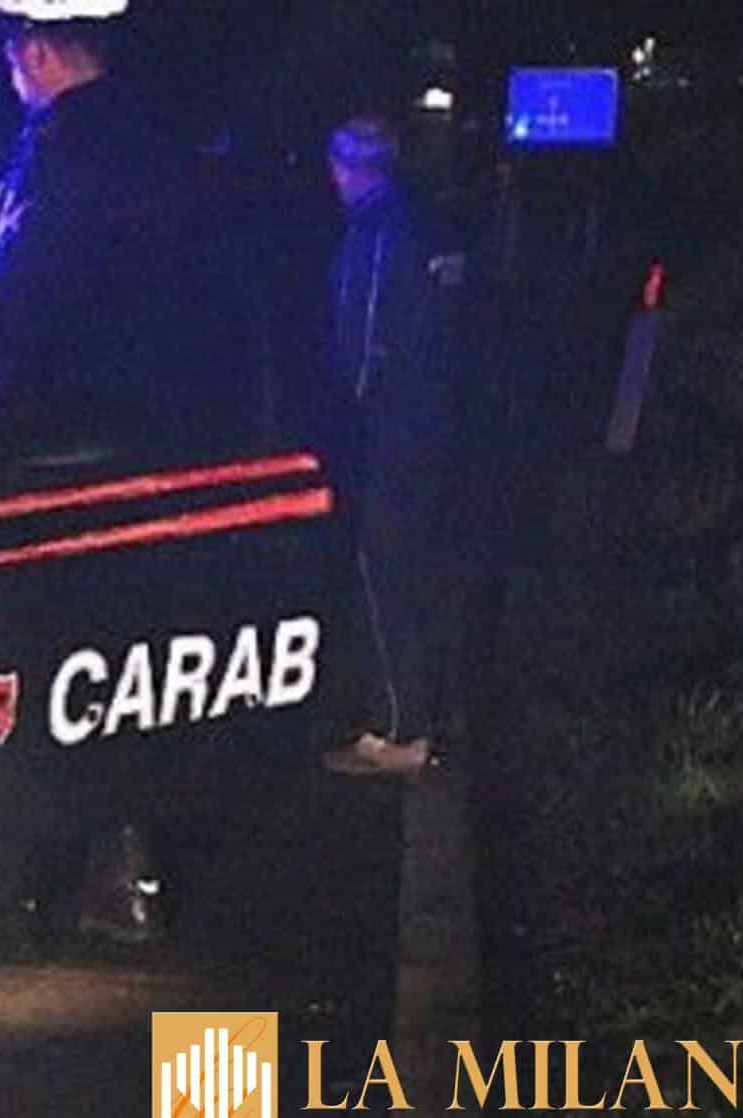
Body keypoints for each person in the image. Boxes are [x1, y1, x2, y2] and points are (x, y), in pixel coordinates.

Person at [0, 7, 188, 945]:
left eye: (11, 57)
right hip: (135, 437)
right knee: (111, 660)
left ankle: (40, 870)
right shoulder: (150, 143)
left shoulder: (64, 153)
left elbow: (27, 319)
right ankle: (119, 873)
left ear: (35, 51)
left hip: (49, 445)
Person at [318, 116, 462, 777]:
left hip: (390, 434)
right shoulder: (422, 224)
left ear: (348, 168)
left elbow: (364, 339)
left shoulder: (376, 233)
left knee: (381, 570)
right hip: (429, 426)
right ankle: (423, 713)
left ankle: (403, 729)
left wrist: (342, 422)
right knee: (415, 570)